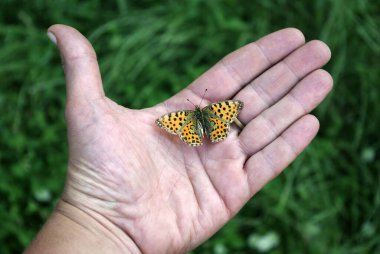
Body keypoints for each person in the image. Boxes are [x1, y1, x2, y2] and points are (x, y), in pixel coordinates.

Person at [25, 24, 332, 254]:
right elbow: (225, 110)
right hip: (211, 126)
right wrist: (100, 219)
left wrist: (99, 223)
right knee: (212, 127)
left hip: (196, 129)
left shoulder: (188, 118)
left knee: (201, 129)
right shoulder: (214, 112)